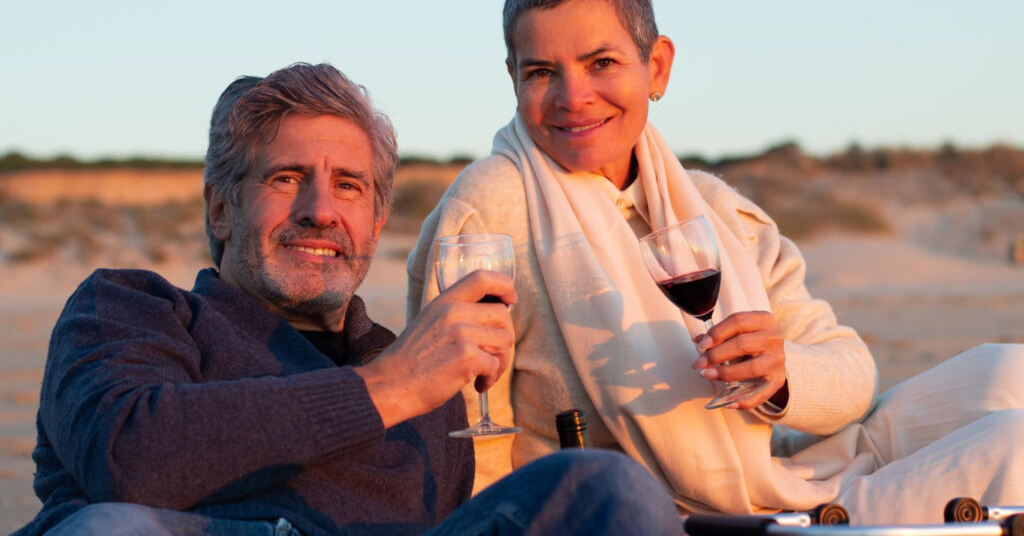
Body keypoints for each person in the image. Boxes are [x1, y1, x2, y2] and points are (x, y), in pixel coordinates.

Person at [407, 0, 1024, 524]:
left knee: (1010, 370)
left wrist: (781, 379)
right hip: (676, 516)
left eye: (602, 63)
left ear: (657, 67)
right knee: (1014, 443)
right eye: (543, 71)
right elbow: (466, 438)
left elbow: (851, 374)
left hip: (792, 463)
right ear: (513, 77)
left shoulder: (714, 207)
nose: (574, 97)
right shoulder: (492, 206)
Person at [16, 62, 684, 535]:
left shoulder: (418, 376)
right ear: (222, 208)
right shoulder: (133, 309)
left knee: (604, 485)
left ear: (376, 216)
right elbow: (132, 459)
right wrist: (388, 387)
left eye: (350, 187)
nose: (320, 210)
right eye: (286, 178)